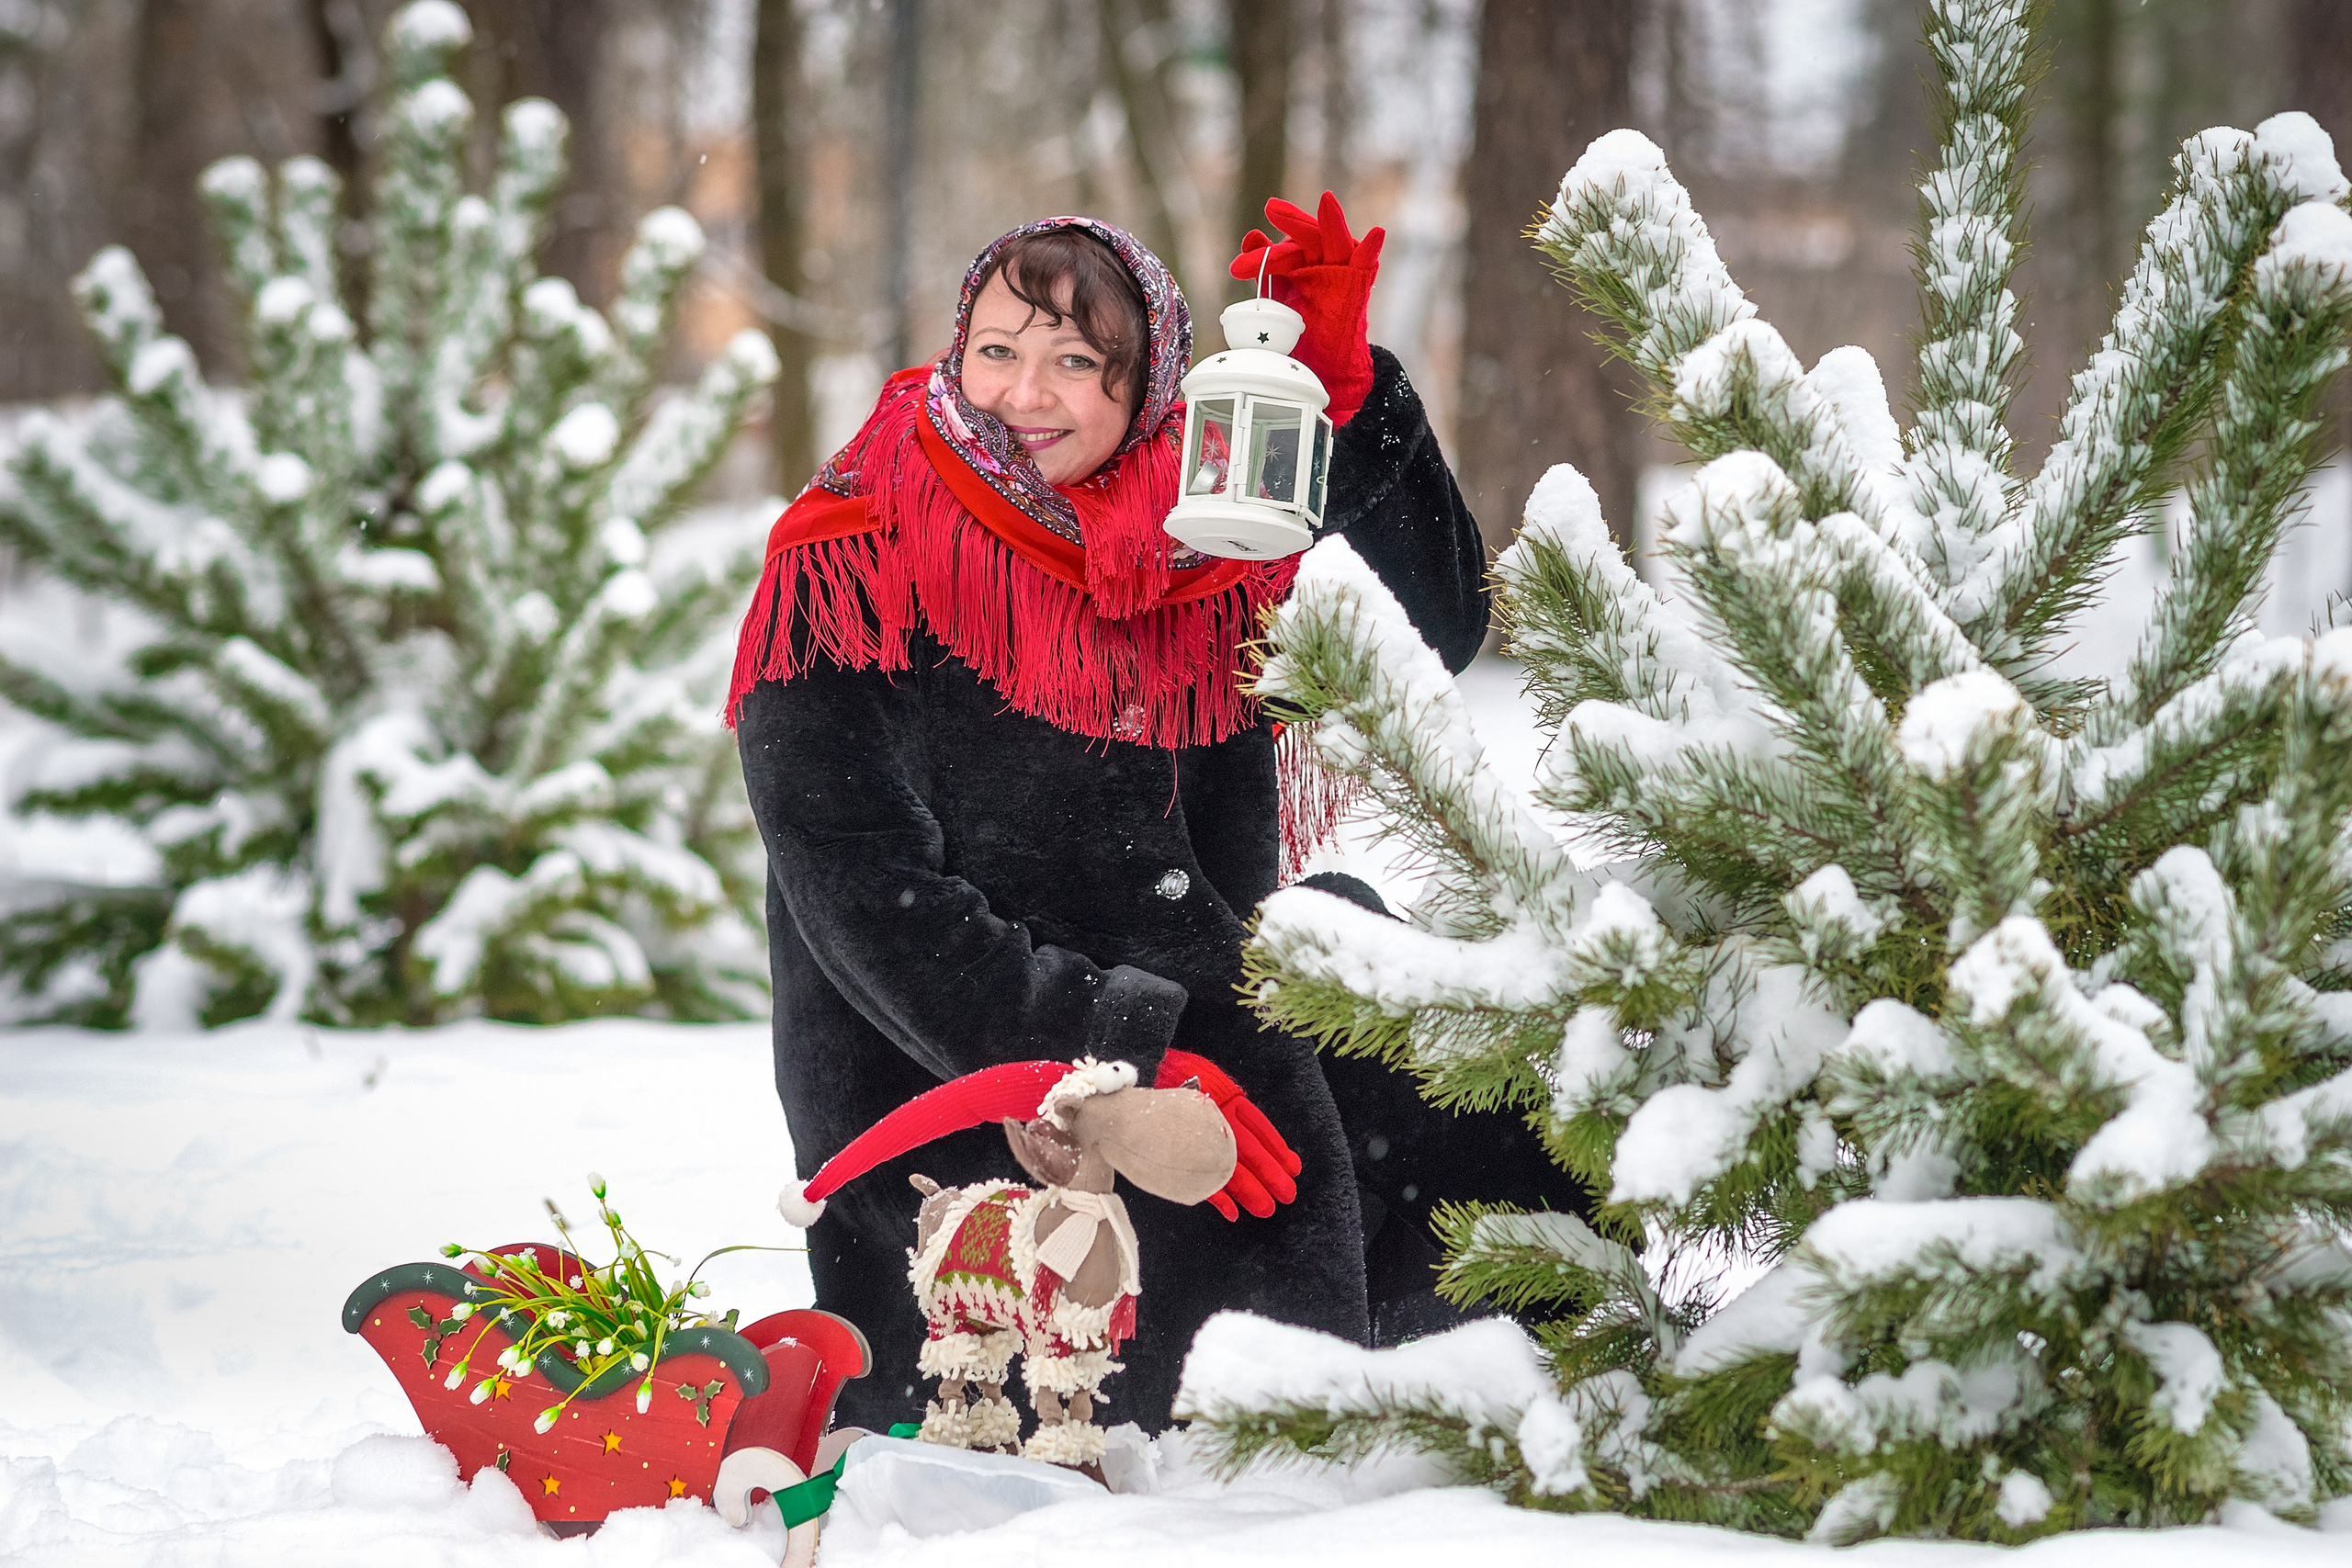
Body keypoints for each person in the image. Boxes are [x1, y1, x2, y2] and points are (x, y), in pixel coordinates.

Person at [729, 197, 1589, 1435]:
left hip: (1208, 1015)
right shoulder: (855, 552)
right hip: (987, 1091)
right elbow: (866, 898)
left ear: (1146, 389)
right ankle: (1305, 1425)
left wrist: (1345, 403)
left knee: (1425, 1049)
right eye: (998, 351)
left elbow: (1437, 630)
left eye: (1078, 362)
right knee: (1224, 1301)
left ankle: (1565, 1369)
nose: (1026, 394)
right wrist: (1114, 1052)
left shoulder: (1205, 528)